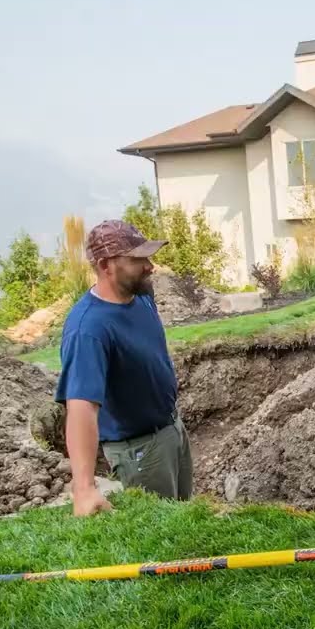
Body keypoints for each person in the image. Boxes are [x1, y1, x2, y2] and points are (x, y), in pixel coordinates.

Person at [54, 219, 191, 516]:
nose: (150, 266)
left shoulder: (141, 297)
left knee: (185, 524)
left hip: (171, 431)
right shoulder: (88, 328)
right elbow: (80, 407)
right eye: (137, 260)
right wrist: (84, 488)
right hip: (139, 450)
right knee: (157, 538)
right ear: (106, 265)